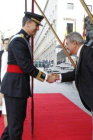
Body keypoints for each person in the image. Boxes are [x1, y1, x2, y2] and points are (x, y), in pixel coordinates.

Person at [0, 12, 56, 140]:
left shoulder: (22, 39)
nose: (37, 28)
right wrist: (46, 77)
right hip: (15, 88)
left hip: (17, 87)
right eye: (36, 25)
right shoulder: (18, 40)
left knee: (15, 123)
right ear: (27, 23)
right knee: (15, 126)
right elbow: (26, 66)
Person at [0, 38, 9, 128]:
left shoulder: (13, 54)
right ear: (3, 44)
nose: (7, 45)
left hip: (11, 84)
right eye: (5, 43)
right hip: (3, 84)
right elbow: (1, 71)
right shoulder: (2, 55)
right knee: (5, 110)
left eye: (8, 43)